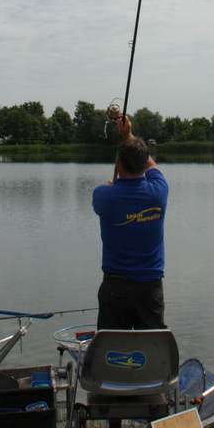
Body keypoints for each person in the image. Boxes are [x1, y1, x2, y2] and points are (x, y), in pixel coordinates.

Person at [92, 116, 168, 331]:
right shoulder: (159, 191)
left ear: (118, 164)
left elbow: (108, 195)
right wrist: (128, 135)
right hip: (150, 288)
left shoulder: (103, 195)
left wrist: (113, 186)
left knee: (112, 350)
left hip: (115, 287)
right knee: (151, 349)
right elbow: (152, 165)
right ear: (144, 164)